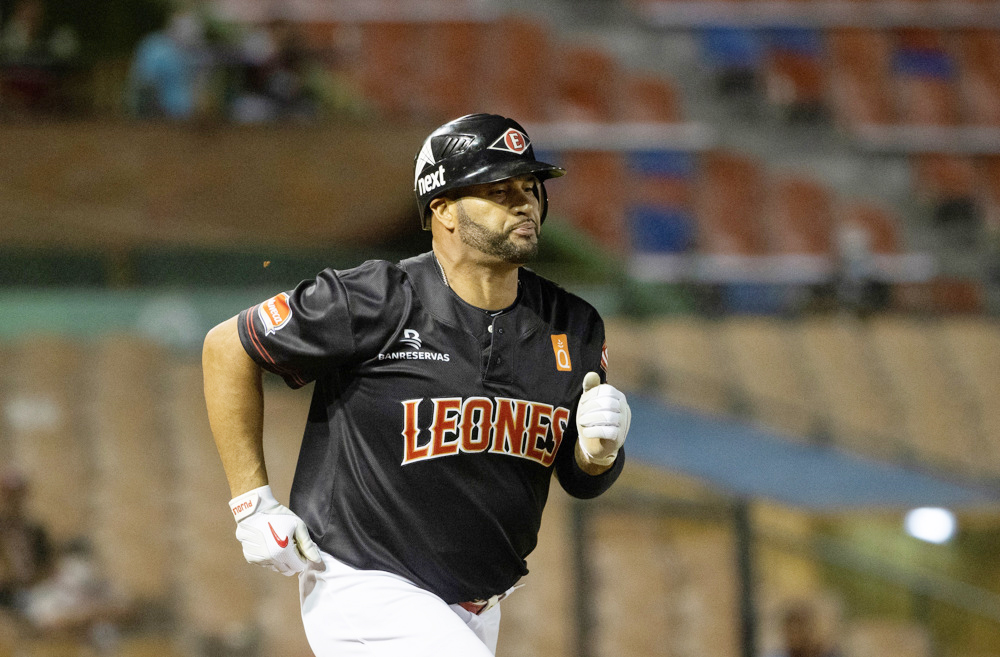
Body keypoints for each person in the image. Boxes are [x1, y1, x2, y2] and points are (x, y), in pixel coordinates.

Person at [202, 112, 632, 656]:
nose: (523, 202)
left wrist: (597, 454)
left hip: (480, 605)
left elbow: (581, 479)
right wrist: (252, 504)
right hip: (363, 585)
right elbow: (227, 346)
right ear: (443, 209)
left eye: (529, 187)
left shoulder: (573, 322)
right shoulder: (376, 297)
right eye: (498, 190)